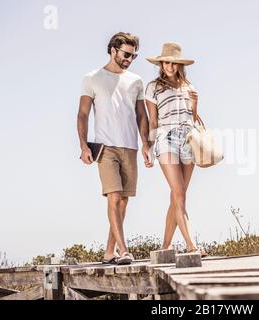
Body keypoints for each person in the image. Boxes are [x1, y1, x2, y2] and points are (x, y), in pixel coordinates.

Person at [77, 32, 153, 265]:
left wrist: (146, 145)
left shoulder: (136, 81)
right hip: (105, 147)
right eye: (126, 54)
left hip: (129, 146)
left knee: (123, 201)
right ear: (113, 50)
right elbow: (82, 114)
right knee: (114, 196)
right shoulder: (92, 78)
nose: (130, 59)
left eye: (133, 55)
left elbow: (142, 115)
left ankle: (109, 252)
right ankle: (124, 249)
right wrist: (83, 145)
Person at [144, 42, 207, 256]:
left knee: (177, 195)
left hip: (188, 139)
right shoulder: (153, 87)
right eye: (166, 62)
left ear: (179, 64)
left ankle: (165, 247)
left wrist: (195, 105)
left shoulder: (190, 87)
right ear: (161, 63)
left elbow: (193, 118)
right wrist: (149, 147)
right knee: (179, 193)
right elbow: (153, 120)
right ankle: (192, 246)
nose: (169, 66)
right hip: (165, 138)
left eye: (173, 62)